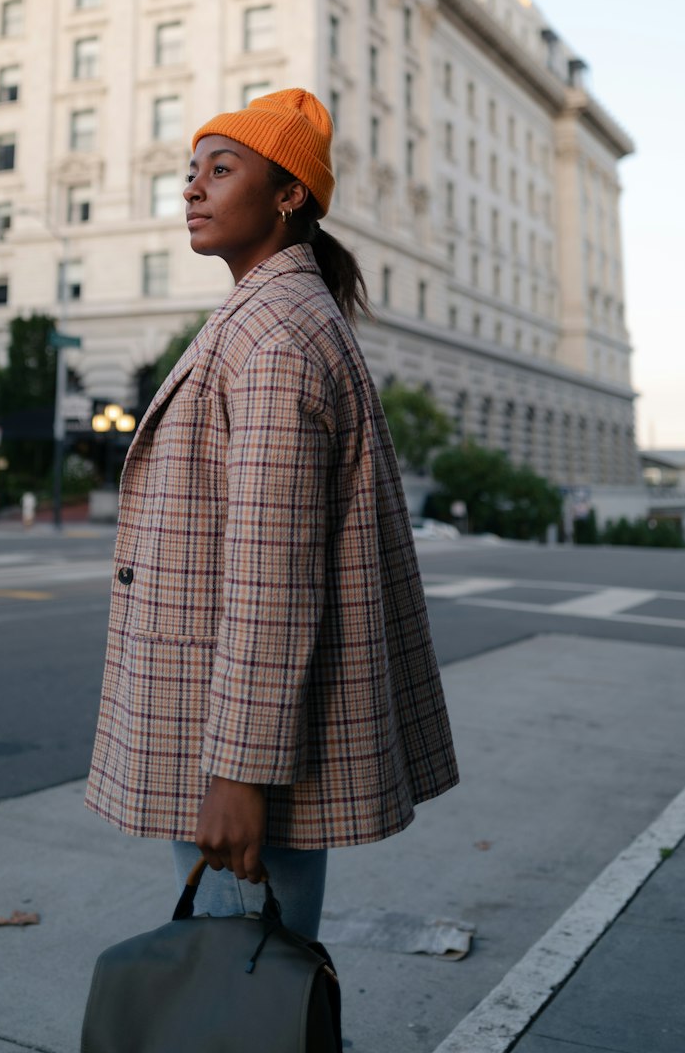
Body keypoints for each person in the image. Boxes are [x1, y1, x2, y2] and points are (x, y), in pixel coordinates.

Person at [86, 88, 458, 939]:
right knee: (248, 991)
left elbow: (273, 574)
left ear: (290, 194)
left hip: (235, 746)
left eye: (222, 169)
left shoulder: (275, 339)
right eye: (191, 172)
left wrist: (238, 775)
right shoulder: (268, 315)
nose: (192, 188)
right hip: (228, 720)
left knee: (231, 1005)